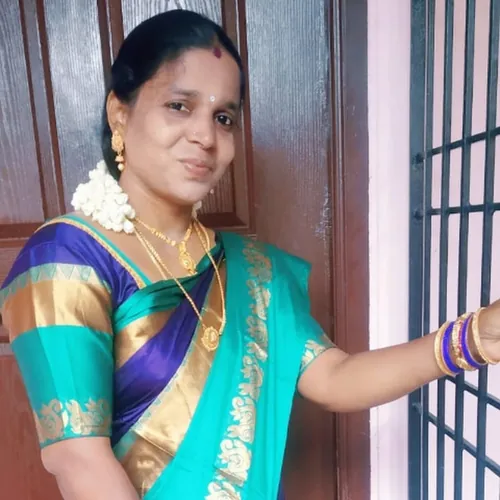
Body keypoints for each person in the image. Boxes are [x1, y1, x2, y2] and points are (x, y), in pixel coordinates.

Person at [1, 9, 500, 500]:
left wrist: (476, 337)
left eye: (223, 118)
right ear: (120, 113)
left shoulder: (253, 270)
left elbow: (334, 378)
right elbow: (78, 459)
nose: (205, 136)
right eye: (179, 106)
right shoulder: (67, 259)